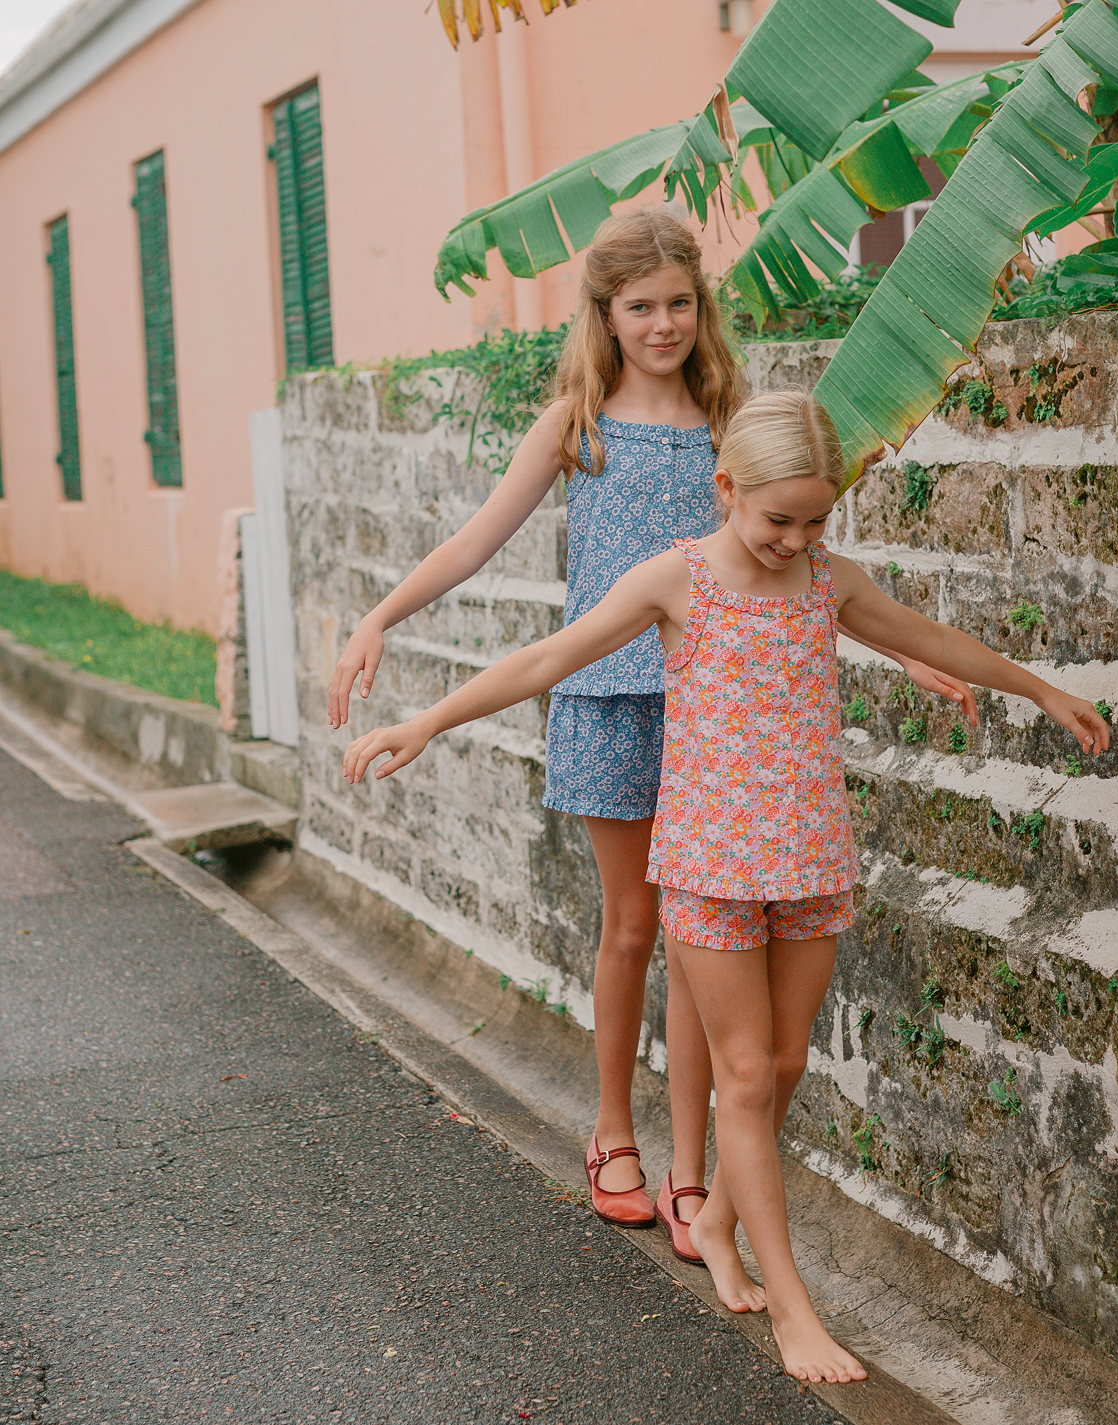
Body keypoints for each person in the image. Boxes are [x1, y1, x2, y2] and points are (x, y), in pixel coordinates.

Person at [340, 390, 1112, 1383]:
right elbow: (549, 656)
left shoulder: (827, 582)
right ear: (726, 490)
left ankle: (709, 1217)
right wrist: (428, 721)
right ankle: (790, 1306)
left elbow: (926, 637)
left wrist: (1040, 688)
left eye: (814, 520)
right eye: (775, 519)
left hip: (810, 861)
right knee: (746, 1078)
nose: (794, 538)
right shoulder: (677, 582)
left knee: (785, 1065)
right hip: (708, 868)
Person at [326, 208, 973, 1268]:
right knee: (634, 926)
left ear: (699, 307)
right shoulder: (575, 421)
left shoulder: (730, 414)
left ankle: (689, 1168)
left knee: (699, 936)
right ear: (606, 314)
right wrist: (379, 618)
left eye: (679, 303)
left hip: (717, 709)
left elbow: (793, 561)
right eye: (640, 307)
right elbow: (474, 540)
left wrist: (905, 650)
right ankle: (613, 1132)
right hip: (605, 698)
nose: (663, 323)